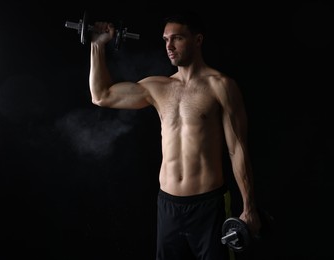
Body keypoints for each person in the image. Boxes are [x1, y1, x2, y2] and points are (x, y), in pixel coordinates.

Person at [89, 10, 261, 260]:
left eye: (177, 38)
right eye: (166, 39)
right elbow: (101, 96)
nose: (169, 46)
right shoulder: (157, 87)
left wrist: (249, 207)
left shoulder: (221, 86)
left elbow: (237, 149)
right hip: (168, 206)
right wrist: (97, 47)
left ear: (198, 40)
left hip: (209, 206)